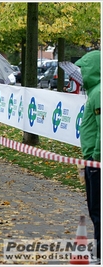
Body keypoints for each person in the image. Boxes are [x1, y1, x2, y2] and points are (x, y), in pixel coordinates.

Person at [75, 50, 101, 262]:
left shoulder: (99, 93)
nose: (81, 74)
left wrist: (95, 156)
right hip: (92, 159)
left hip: (97, 162)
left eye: (84, 70)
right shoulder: (95, 92)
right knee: (95, 210)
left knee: (97, 210)